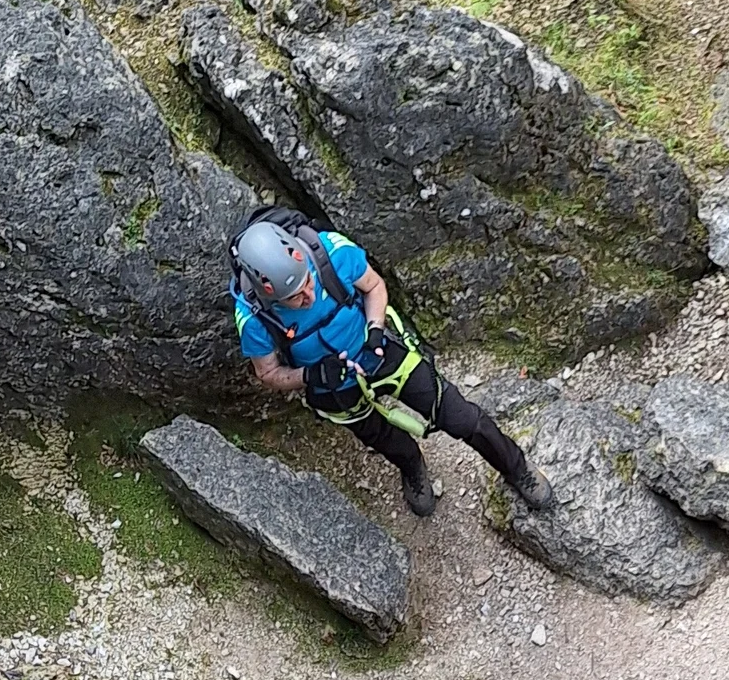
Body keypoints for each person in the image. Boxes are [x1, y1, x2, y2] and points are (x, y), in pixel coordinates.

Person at [233, 211, 553, 520]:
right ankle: (411, 464)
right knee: (380, 436)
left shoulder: (329, 251)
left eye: (307, 282)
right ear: (268, 292)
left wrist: (374, 329)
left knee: (460, 417)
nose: (310, 295)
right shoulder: (254, 318)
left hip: (379, 349)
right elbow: (268, 373)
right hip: (333, 383)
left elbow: (373, 286)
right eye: (296, 297)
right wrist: (310, 375)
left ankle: (516, 468)